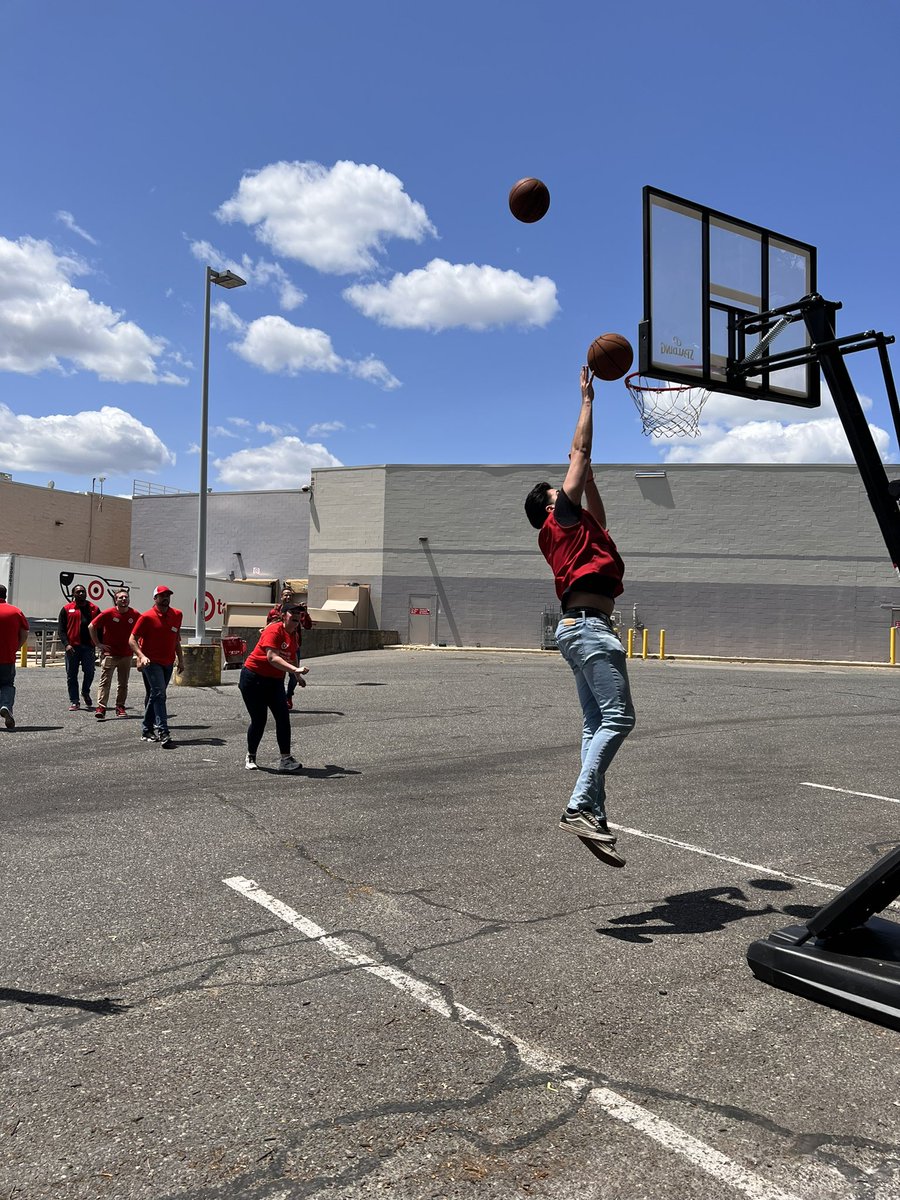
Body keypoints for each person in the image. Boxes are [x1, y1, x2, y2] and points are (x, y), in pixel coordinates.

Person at [524, 365, 635, 867]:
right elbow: (580, 453)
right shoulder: (559, 520)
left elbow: (600, 515)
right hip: (589, 628)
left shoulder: (579, 525)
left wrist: (590, 481)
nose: (566, 491)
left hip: (582, 628)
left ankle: (595, 814)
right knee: (619, 718)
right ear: (550, 508)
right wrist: (588, 401)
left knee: (595, 724)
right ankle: (579, 806)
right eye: (560, 492)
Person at [239, 603, 310, 771]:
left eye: (299, 614)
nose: (297, 616)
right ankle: (251, 755)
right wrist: (294, 670)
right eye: (293, 613)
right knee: (259, 720)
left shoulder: (294, 635)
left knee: (283, 717)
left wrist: (297, 676)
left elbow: (292, 657)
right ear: (284, 615)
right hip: (253, 679)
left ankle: (286, 759)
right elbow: (272, 657)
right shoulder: (274, 630)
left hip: (275, 681)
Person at [128, 585, 184, 748]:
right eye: (162, 595)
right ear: (155, 598)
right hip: (151, 662)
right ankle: (163, 731)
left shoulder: (177, 615)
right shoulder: (146, 617)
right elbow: (132, 639)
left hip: (168, 662)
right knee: (160, 694)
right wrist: (141, 656)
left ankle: (146, 729)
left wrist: (181, 660)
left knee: (155, 695)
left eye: (167, 595)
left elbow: (176, 640)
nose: (165, 598)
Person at [89, 588, 140, 719]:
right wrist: (98, 644)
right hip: (109, 654)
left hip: (126, 654)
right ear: (115, 600)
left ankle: (120, 707)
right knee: (105, 681)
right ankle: (101, 707)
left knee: (123, 683)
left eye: (126, 597)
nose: (124, 599)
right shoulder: (108, 613)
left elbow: (143, 629)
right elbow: (91, 626)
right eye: (121, 597)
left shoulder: (135, 614)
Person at [267, 585, 313, 710]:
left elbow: (308, 626)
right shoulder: (274, 611)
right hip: (278, 647)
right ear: (281, 597)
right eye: (285, 595)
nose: (288, 597)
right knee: (279, 673)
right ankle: (279, 697)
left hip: (293, 646)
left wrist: (306, 612)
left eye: (290, 595)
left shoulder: (298, 611)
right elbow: (267, 627)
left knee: (293, 673)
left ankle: (288, 696)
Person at [58, 584, 101, 710]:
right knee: (71, 675)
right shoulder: (66, 609)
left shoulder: (94, 609)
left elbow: (100, 627)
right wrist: (66, 644)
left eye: (83, 592)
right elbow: (61, 629)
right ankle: (74, 701)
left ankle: (85, 691)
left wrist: (100, 644)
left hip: (89, 647)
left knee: (89, 672)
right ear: (73, 594)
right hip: (73, 648)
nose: (81, 594)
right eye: (78, 592)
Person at [0, 583, 29, 731]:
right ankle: (5, 706)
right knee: (7, 684)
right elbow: (24, 634)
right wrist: (15, 648)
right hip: (7, 657)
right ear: (4, 595)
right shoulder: (15, 612)